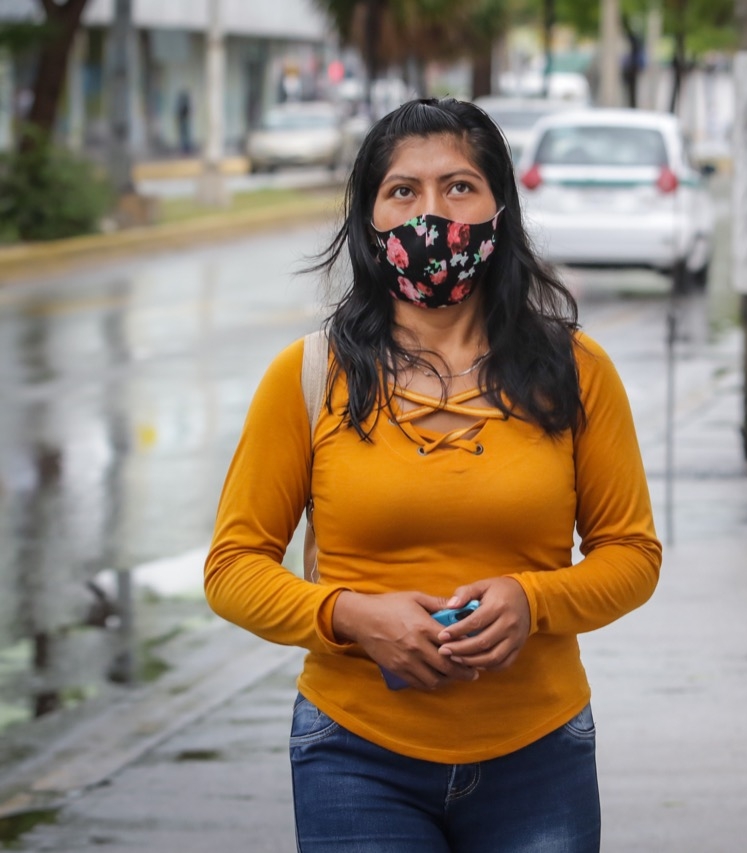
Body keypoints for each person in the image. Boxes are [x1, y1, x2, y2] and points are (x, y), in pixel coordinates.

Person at [204, 98, 662, 851]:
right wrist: (349, 616)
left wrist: (533, 599)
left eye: (458, 187)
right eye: (402, 192)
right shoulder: (309, 375)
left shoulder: (577, 371)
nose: (432, 214)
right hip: (353, 756)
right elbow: (231, 568)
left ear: (499, 209)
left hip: (540, 753)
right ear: (369, 219)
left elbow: (633, 555)